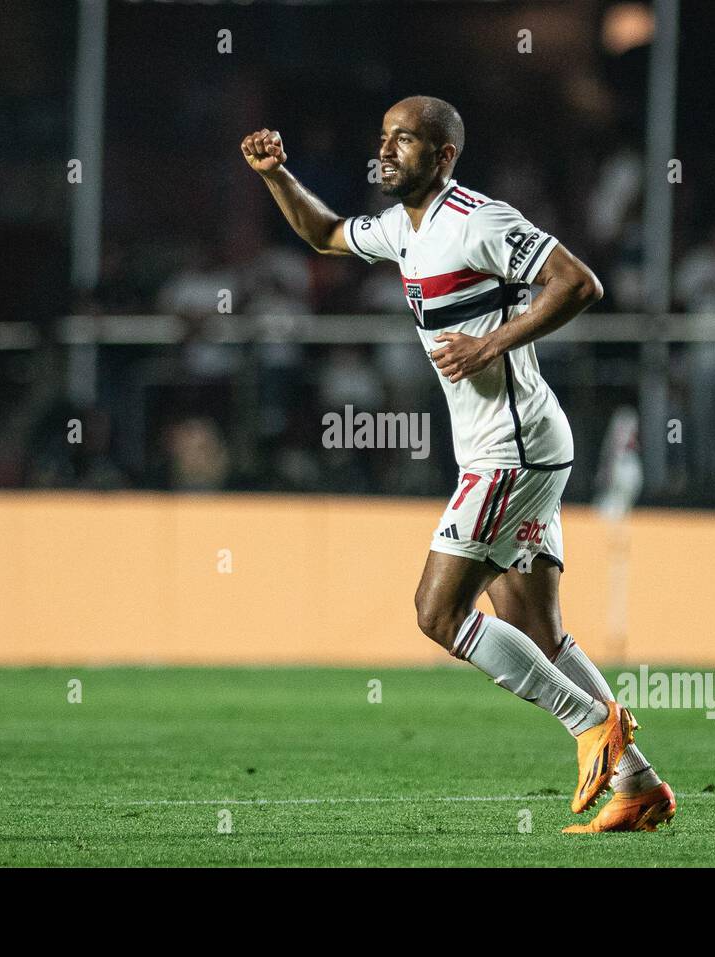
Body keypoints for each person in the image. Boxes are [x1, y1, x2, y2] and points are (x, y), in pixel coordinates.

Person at [241, 95, 674, 833]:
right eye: (383, 136)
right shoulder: (399, 229)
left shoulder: (478, 218)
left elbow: (579, 282)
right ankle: (638, 783)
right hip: (517, 446)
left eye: (404, 139)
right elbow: (323, 233)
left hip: (512, 447)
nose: (386, 149)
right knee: (537, 631)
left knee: (436, 611)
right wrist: (277, 175)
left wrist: (492, 342)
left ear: (442, 156)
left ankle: (590, 726)